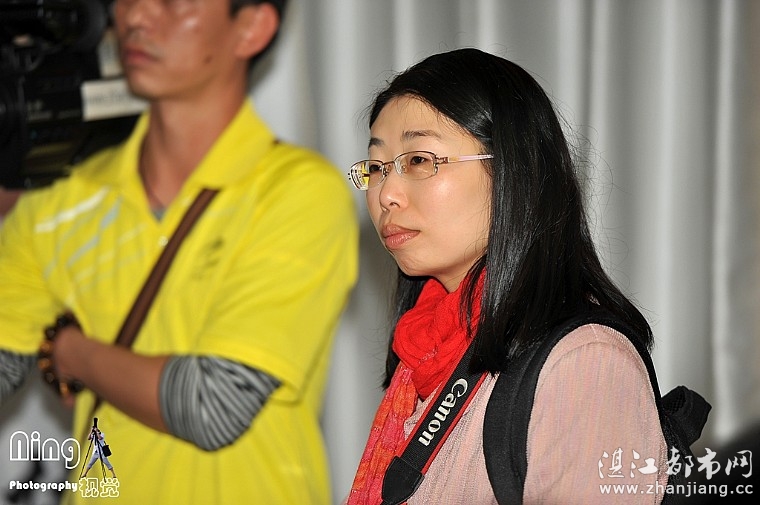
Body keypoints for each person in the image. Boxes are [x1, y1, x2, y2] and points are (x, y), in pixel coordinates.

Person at [0, 0, 357, 503]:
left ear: (252, 27)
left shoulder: (299, 192)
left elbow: (212, 406)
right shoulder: (60, 197)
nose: (135, 16)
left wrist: (70, 351)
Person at [343, 48, 668, 504]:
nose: (387, 193)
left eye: (418, 160)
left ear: (513, 169)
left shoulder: (585, 362)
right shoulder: (425, 349)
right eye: (377, 167)